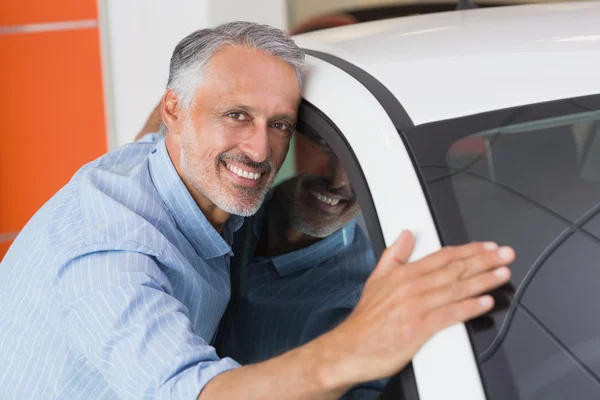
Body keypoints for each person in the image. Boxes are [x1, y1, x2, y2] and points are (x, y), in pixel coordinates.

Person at [0, 21, 514, 399]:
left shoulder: (185, 173)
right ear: (176, 109)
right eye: (236, 114)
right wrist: (361, 344)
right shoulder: (109, 251)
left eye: (282, 125)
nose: (260, 150)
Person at [217, 129, 383, 398]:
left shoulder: (366, 309)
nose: (339, 179)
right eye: (324, 144)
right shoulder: (223, 207)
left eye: (361, 158)